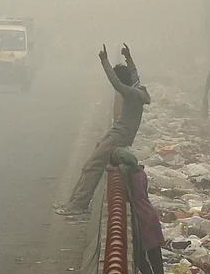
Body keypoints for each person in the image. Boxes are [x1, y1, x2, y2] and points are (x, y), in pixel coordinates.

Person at [55, 44, 149, 216]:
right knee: (90, 164)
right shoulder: (138, 90)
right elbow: (135, 75)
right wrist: (128, 57)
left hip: (118, 136)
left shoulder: (129, 93)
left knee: (93, 166)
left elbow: (115, 82)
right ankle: (74, 201)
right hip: (117, 133)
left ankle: (78, 205)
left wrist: (104, 62)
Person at [112, 147, 165, 274]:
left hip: (141, 217)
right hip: (150, 214)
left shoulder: (128, 176)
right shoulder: (140, 172)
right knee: (155, 254)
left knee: (140, 256)